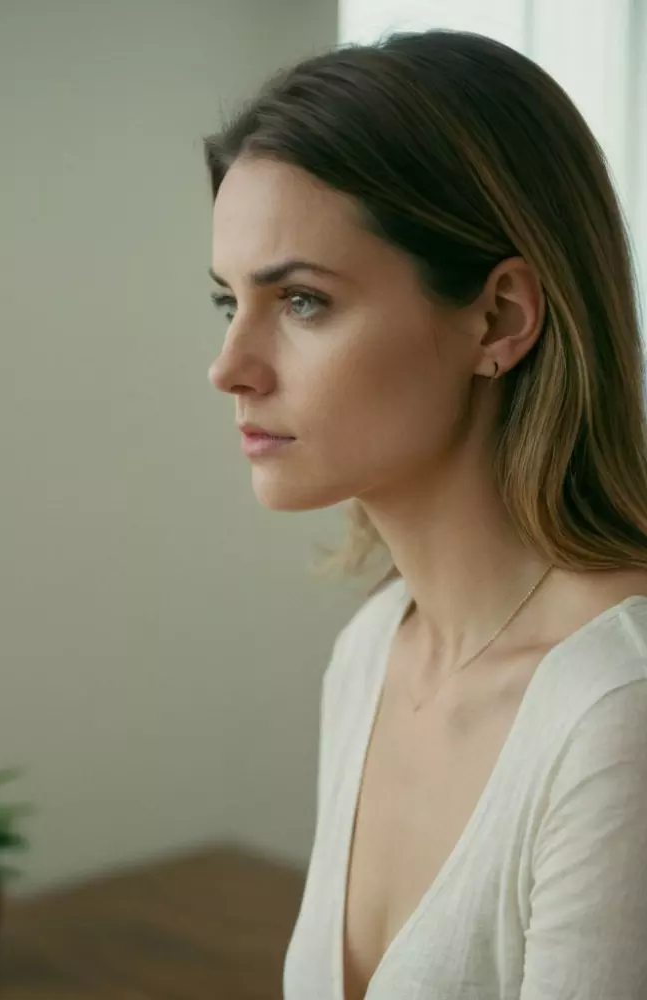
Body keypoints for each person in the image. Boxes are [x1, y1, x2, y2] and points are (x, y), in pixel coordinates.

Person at [203, 28, 647, 1000]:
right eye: (224, 300)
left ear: (498, 320)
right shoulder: (369, 655)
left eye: (304, 301)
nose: (230, 365)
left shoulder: (617, 712)